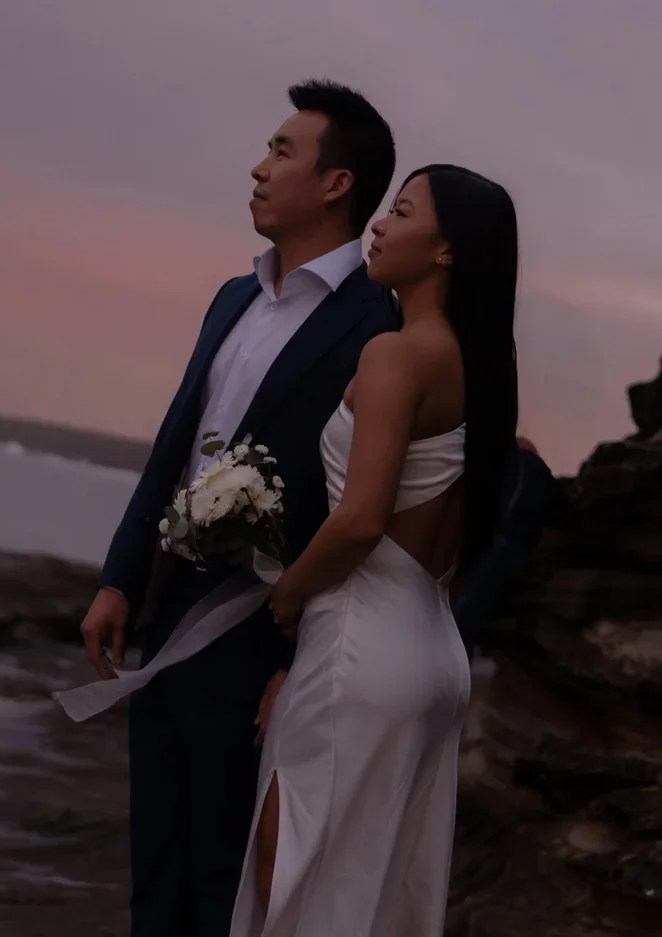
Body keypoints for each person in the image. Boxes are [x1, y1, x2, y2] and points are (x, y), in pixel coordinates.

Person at [78, 79, 398, 937]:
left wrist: (301, 656)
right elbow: (175, 445)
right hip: (167, 609)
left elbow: (365, 509)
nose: (259, 168)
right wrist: (118, 578)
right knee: (154, 864)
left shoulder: (378, 328)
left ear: (336, 183)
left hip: (264, 633)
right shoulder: (234, 296)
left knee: (225, 878)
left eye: (282, 152)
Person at [229, 165, 519, 937]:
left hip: (359, 649)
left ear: (447, 248)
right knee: (379, 892)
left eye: (402, 211)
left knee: (293, 880)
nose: (380, 226)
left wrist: (288, 596)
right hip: (434, 654)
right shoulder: (480, 369)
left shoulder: (396, 354)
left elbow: (360, 519)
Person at [451, 435, 567, 657]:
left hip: (502, 539)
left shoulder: (514, 468)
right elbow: (558, 507)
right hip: (514, 541)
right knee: (477, 597)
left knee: (473, 596)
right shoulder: (530, 468)